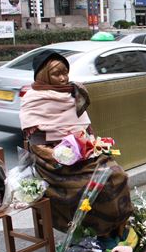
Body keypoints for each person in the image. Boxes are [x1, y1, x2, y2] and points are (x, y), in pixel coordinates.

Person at [19, 50, 133, 238]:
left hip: (83, 155)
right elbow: (37, 145)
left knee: (117, 175)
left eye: (66, 72)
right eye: (57, 74)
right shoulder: (33, 100)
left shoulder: (74, 94)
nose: (64, 78)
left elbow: (86, 130)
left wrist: (92, 147)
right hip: (54, 164)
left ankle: (117, 223)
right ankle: (93, 231)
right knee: (91, 187)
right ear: (43, 75)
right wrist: (63, 156)